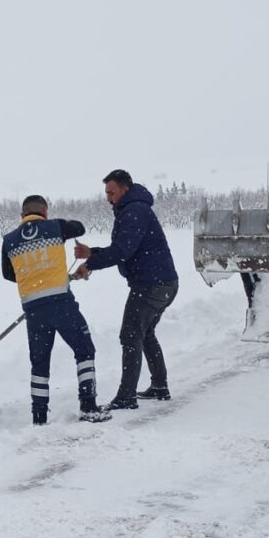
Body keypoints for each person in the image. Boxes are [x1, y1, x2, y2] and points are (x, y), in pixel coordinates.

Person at [74, 170, 179, 410]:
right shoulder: (133, 210)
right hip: (162, 282)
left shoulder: (135, 212)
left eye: (111, 192)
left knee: (130, 334)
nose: (108, 198)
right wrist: (92, 254)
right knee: (145, 333)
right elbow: (123, 248)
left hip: (152, 284)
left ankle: (126, 397)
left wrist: (90, 263)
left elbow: (123, 251)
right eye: (106, 193)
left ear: (125, 189)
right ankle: (159, 387)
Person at [2, 195, 111, 425]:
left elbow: (8, 273)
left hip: (33, 309)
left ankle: (39, 417)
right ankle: (88, 406)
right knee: (84, 350)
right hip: (62, 304)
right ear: (45, 212)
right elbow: (79, 227)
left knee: (39, 363)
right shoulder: (55, 227)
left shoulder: (9, 241)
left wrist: (32, 277)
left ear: (22, 216)